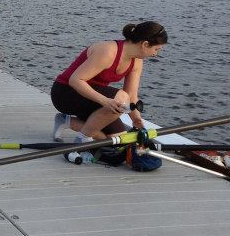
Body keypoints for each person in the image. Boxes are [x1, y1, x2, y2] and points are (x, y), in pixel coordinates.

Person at [51, 21, 168, 163]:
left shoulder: (136, 61)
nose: (156, 54)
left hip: (91, 97)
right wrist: (105, 101)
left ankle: (65, 121)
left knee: (116, 139)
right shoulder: (108, 51)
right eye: (157, 49)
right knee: (121, 99)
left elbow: (132, 95)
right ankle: (81, 144)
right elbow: (75, 80)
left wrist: (136, 120)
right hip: (66, 93)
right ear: (144, 44)